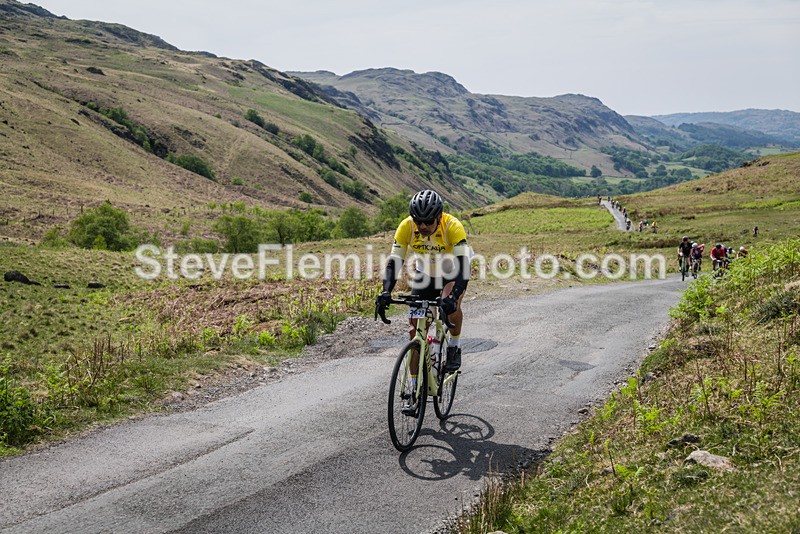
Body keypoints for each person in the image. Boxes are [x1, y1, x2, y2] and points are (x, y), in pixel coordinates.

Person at [376, 190, 471, 378]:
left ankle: (454, 346)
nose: (422, 225)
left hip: (452, 272)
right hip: (424, 273)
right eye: (418, 221)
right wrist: (386, 291)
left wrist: (454, 296)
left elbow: (463, 268)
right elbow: (395, 261)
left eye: (428, 221)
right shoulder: (407, 227)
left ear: (439, 216)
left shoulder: (452, 226)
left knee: (451, 307)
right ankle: (412, 390)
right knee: (414, 332)